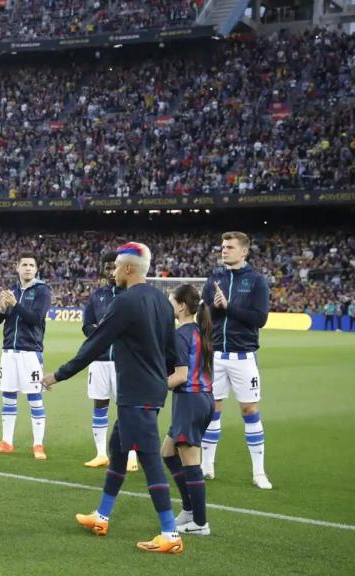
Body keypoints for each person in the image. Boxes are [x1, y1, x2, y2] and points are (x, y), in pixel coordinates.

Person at [43, 242, 184, 555]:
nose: (114, 272)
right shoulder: (162, 302)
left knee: (149, 459)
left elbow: (94, 345)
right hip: (150, 389)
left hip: (136, 393)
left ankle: (170, 533)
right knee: (117, 450)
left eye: (118, 266)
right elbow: (172, 351)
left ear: (130, 269)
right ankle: (102, 516)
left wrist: (58, 375)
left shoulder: (125, 302)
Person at [200, 231, 272, 489]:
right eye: (222, 246)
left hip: (243, 357)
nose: (224, 250)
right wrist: (213, 309)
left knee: (249, 410)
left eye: (229, 247)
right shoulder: (214, 279)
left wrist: (228, 307)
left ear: (244, 252)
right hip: (216, 355)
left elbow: (260, 318)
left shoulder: (256, 281)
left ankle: (258, 472)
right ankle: (207, 466)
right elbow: (203, 317)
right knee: (212, 410)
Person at [0, 252, 52, 460]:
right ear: (17, 268)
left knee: (35, 398)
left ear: (36, 269)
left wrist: (15, 305)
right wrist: (3, 308)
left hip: (30, 352)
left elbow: (35, 319)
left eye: (31, 265)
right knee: (8, 396)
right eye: (24, 264)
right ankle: (6, 441)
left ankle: (38, 445)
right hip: (8, 352)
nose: (27, 268)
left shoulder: (42, 291)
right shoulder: (11, 291)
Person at [163, 284, 215, 536]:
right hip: (202, 398)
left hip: (190, 400)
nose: (169, 306)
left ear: (182, 305)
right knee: (168, 451)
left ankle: (200, 523)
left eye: (171, 302)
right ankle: (188, 509)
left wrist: (155, 387)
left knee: (191, 461)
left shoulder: (181, 334)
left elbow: (181, 376)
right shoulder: (198, 330)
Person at [81, 252, 138, 471]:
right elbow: (86, 325)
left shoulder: (132, 295)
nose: (111, 272)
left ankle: (131, 456)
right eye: (107, 268)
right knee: (100, 405)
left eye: (114, 267)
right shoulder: (97, 296)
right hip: (100, 360)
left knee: (127, 408)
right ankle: (101, 453)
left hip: (125, 361)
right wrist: (96, 333)